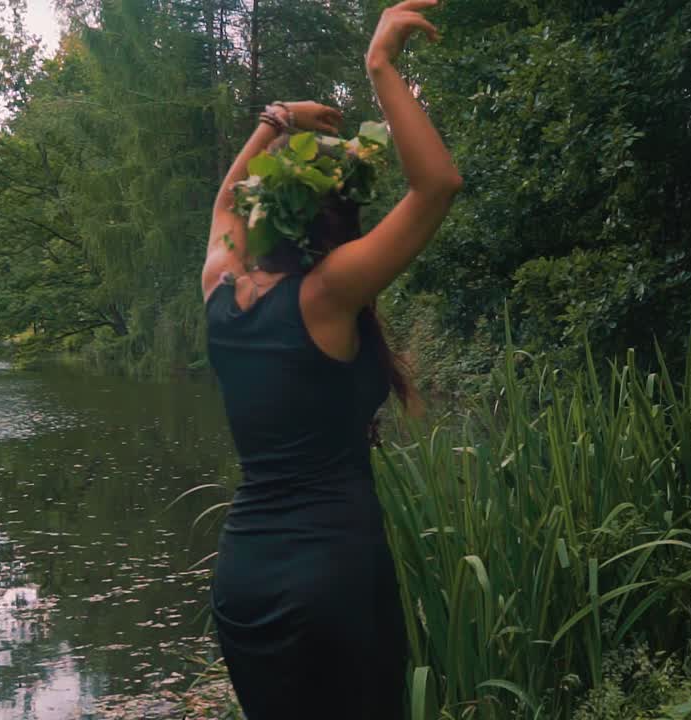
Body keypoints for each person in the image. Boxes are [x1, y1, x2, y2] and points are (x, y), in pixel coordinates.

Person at [199, 0, 461, 716]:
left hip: (243, 577)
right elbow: (437, 185)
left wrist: (276, 121)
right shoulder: (328, 295)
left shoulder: (222, 288)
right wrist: (381, 66)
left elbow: (225, 200)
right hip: (332, 575)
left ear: (264, 215)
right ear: (343, 230)